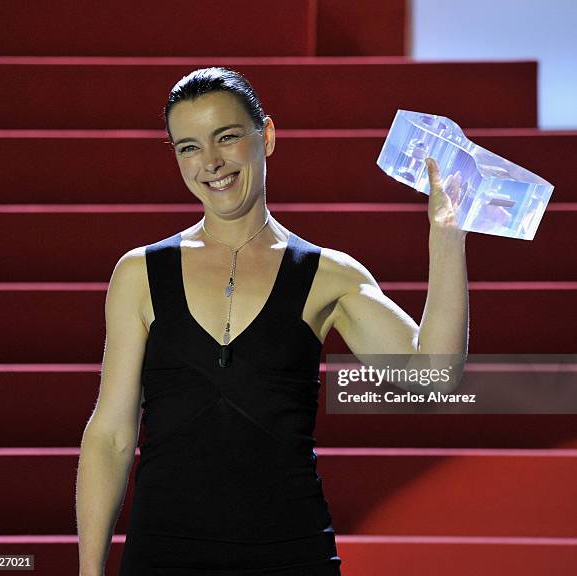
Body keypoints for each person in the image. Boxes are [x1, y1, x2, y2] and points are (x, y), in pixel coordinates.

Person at [76, 66, 469, 576]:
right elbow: (110, 436)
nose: (211, 163)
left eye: (228, 137)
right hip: (164, 555)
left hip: (292, 554)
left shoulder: (330, 275)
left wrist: (447, 237)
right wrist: (89, 571)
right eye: (189, 147)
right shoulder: (139, 274)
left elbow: (432, 379)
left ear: (267, 137)